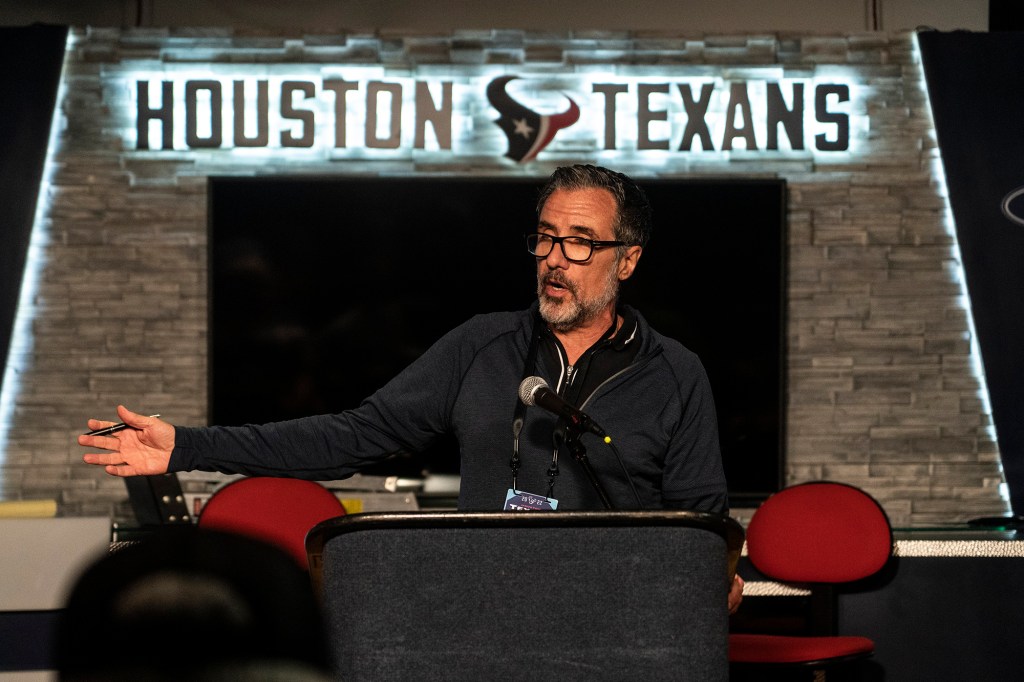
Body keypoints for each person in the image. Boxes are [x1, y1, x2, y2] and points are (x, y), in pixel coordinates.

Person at [79, 164, 743, 610]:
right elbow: (353, 435)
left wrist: (715, 580)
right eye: (543, 240)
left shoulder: (674, 372)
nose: (552, 261)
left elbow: (702, 525)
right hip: (487, 611)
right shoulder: (481, 346)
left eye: (578, 244)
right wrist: (186, 446)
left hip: (617, 617)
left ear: (627, 258)